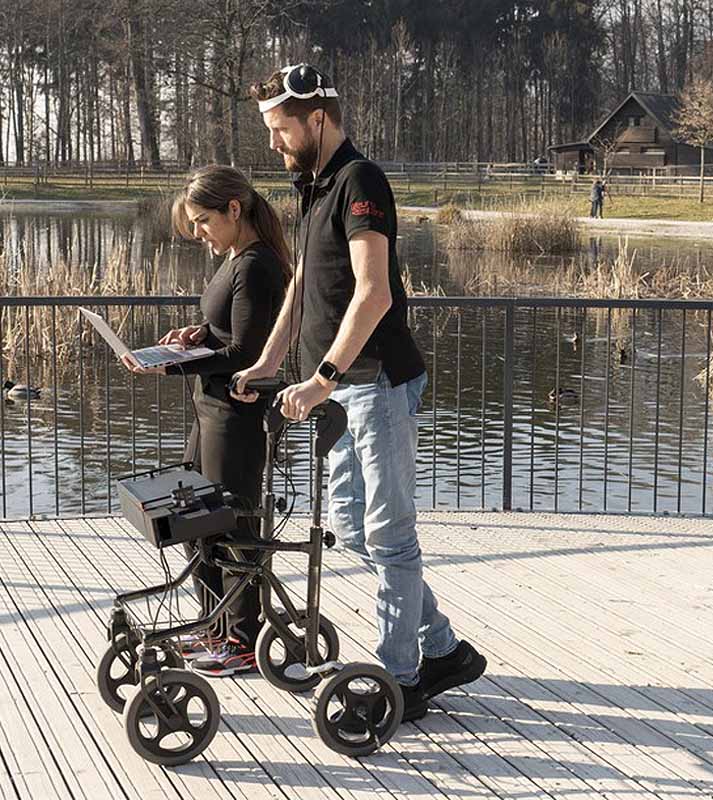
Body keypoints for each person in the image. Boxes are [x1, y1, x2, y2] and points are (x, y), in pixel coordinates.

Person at [232, 64, 486, 722]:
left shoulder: (360, 182)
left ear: (316, 119)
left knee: (391, 536)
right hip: (340, 392)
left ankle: (399, 682)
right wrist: (269, 363)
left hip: (374, 382)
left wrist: (323, 379)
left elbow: (373, 293)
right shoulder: (314, 187)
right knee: (354, 528)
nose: (274, 142)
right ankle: (443, 649)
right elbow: (303, 290)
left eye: (279, 129)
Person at [123, 165, 290, 676]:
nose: (198, 233)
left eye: (202, 222)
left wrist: (170, 362)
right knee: (199, 522)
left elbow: (248, 350)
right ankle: (213, 625)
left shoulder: (258, 264)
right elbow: (227, 334)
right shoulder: (236, 258)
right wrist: (198, 336)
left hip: (237, 418)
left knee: (232, 524)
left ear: (233, 211)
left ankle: (241, 639)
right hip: (210, 410)